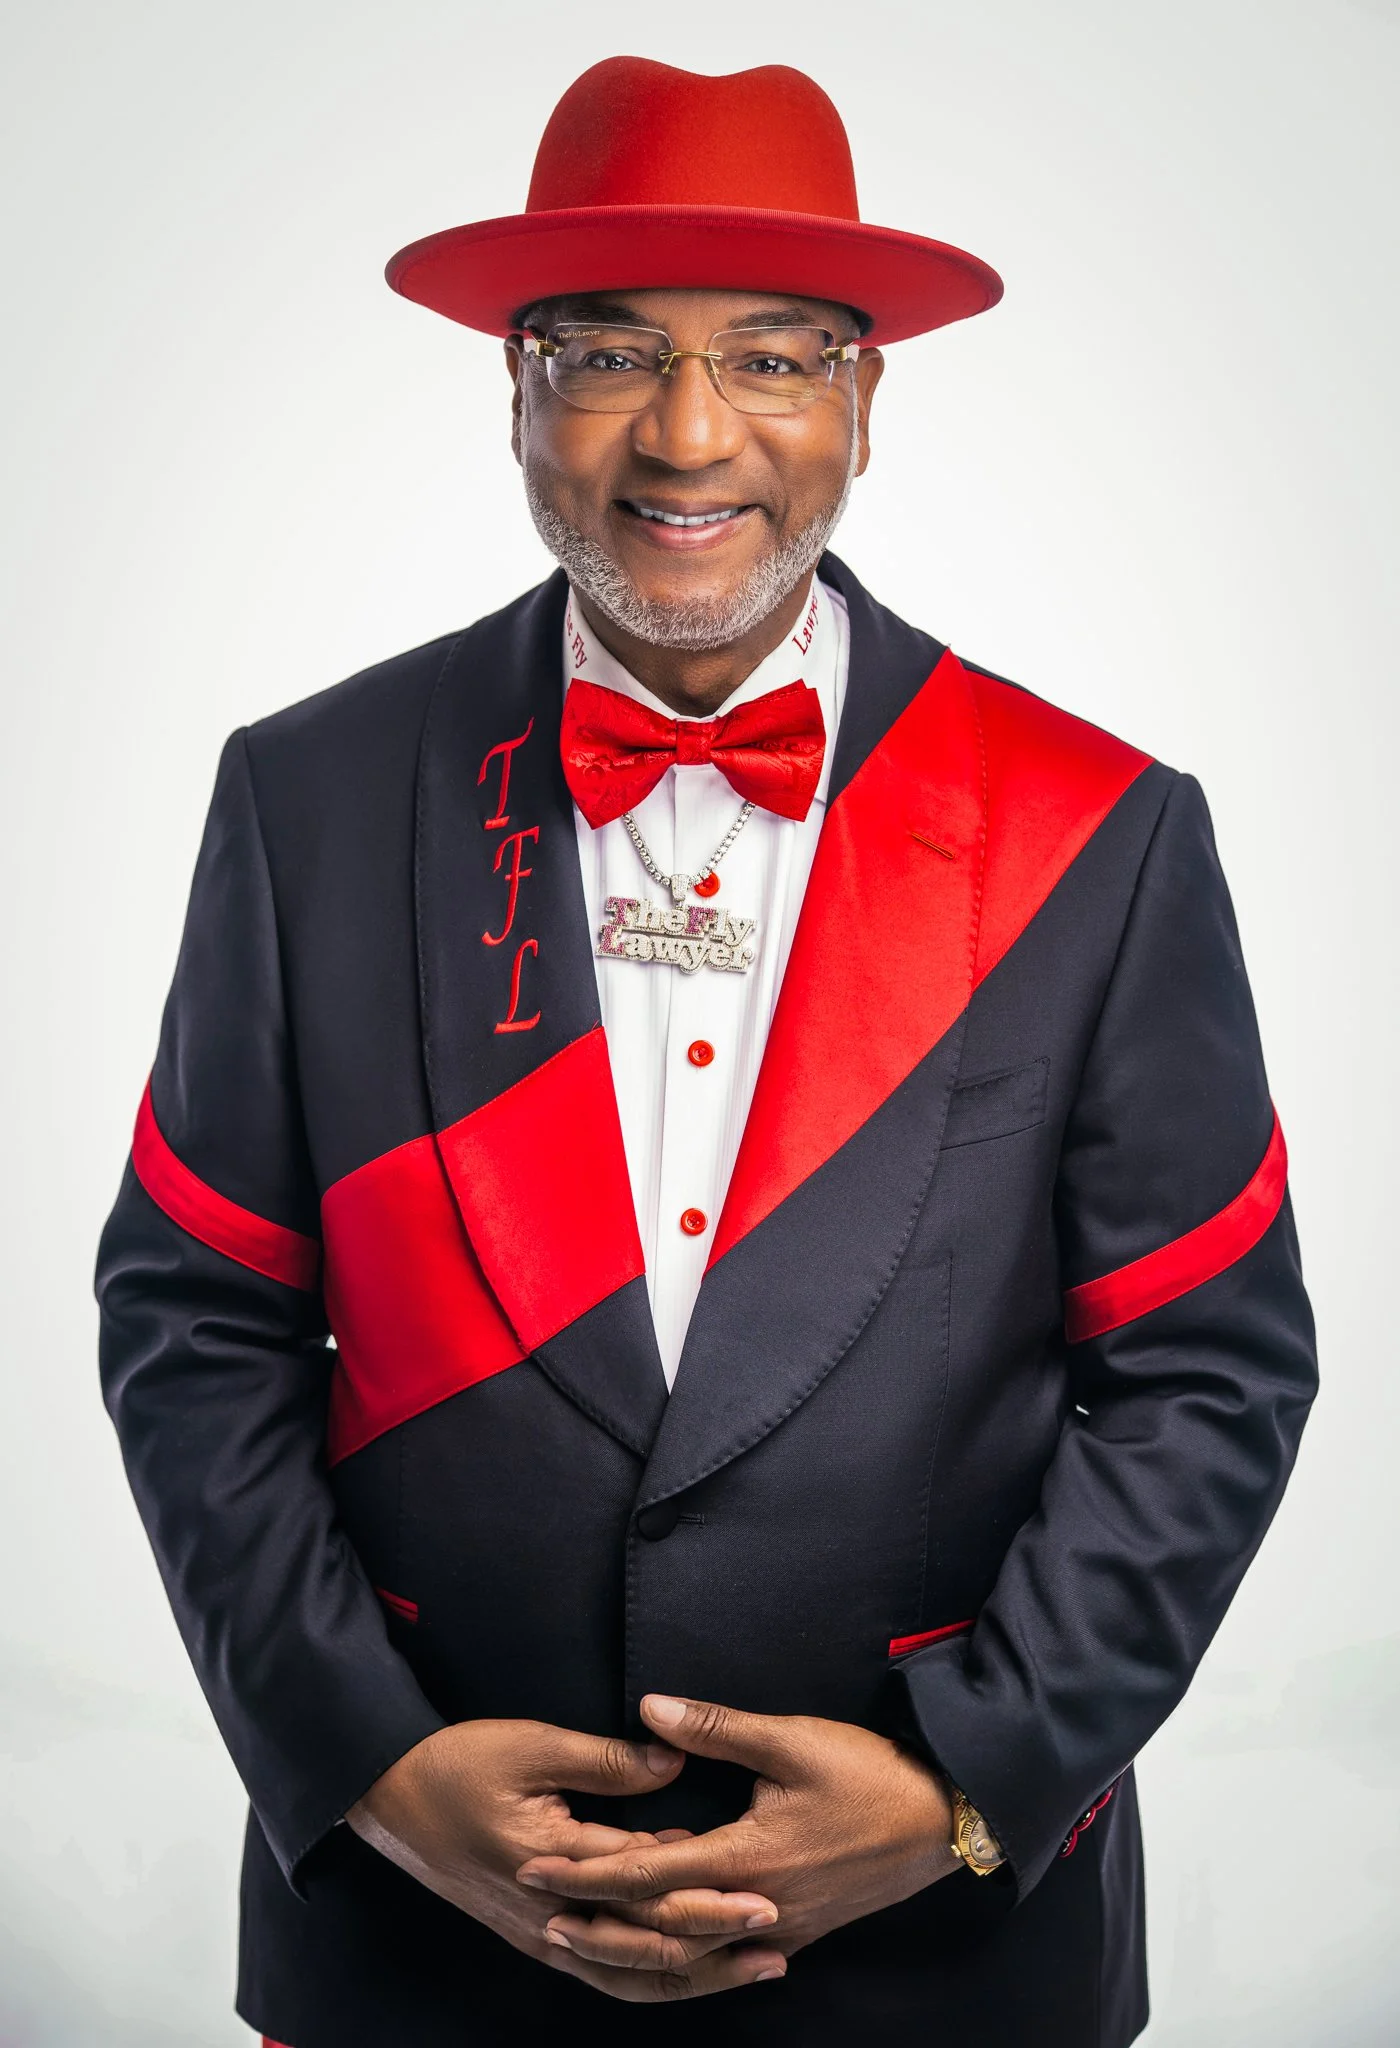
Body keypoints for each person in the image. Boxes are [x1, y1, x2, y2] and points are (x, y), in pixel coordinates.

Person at [96, 54, 1317, 2048]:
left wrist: (958, 1801)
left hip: (944, 1968)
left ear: (859, 401)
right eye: (603, 357)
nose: (685, 435)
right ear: (512, 391)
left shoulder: (1103, 836)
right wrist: (371, 1771)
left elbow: (1207, 1378)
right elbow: (192, 1321)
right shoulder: (302, 800)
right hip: (413, 1954)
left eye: (768, 356)